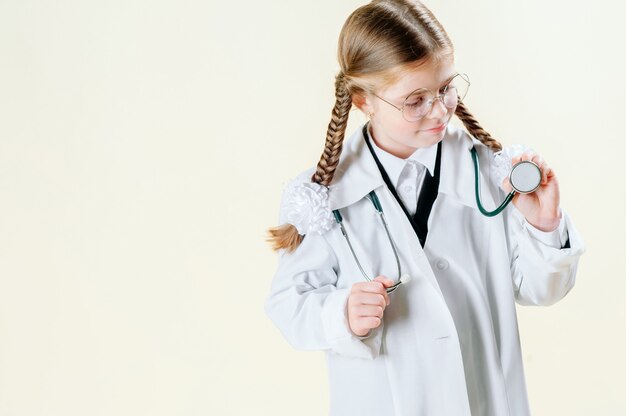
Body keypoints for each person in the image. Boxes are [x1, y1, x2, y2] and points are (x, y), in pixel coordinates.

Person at [263, 1, 585, 415]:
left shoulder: (490, 172)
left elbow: (542, 290)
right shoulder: (322, 199)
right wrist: (340, 312)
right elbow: (288, 305)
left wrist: (544, 226)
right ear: (364, 99)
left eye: (446, 88)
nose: (439, 111)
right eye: (415, 100)